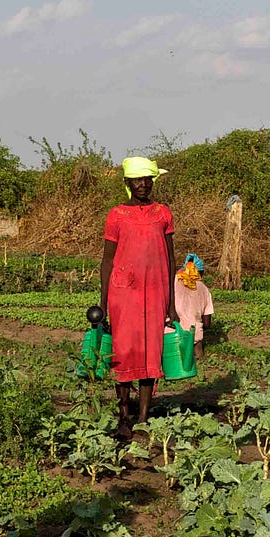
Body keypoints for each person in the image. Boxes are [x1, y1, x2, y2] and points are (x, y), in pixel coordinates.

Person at [100, 156, 178, 439]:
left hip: (155, 292)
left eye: (147, 179)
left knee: (150, 352)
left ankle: (143, 417)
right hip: (123, 293)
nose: (143, 184)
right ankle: (124, 416)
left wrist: (171, 303)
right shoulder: (116, 215)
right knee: (124, 353)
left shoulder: (163, 213)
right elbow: (107, 261)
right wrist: (103, 303)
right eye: (137, 180)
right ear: (127, 183)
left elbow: (170, 259)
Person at [175, 253, 215, 350]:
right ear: (200, 273)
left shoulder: (174, 281)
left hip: (172, 332)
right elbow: (207, 323)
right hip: (194, 334)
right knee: (198, 359)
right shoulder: (204, 289)